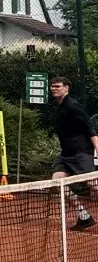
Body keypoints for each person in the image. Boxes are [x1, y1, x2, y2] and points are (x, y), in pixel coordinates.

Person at [50, 76, 98, 231]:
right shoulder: (60, 107)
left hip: (81, 153)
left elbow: (90, 128)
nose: (54, 88)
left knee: (94, 185)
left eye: (57, 86)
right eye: (52, 86)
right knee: (58, 181)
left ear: (66, 88)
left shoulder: (73, 106)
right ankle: (84, 216)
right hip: (66, 155)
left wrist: (97, 149)